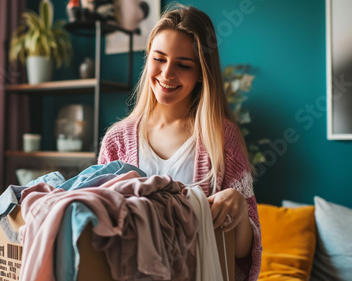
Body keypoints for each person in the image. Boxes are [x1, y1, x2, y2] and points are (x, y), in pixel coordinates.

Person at [97, 4, 261, 281]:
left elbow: (244, 253)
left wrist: (239, 208)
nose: (167, 73)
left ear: (202, 73)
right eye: (159, 59)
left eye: (183, 65)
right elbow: (99, 230)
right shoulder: (116, 141)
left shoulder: (222, 138)